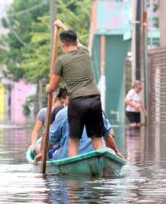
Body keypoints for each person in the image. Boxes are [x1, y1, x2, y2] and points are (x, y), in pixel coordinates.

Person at [46, 20, 104, 157]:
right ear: (75, 42)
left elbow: (53, 87)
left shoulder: (61, 61)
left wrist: (47, 87)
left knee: (74, 142)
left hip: (77, 102)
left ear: (62, 45)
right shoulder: (85, 51)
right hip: (95, 99)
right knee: (97, 140)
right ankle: (102, 168)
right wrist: (63, 26)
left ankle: (73, 177)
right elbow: (74, 40)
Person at [34, 107, 124, 161]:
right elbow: (109, 136)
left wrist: (42, 152)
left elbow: (51, 140)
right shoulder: (97, 111)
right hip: (97, 155)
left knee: (56, 152)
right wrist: (116, 152)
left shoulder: (62, 113)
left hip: (69, 157)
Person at [28, 86, 69, 152]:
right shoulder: (43, 112)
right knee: (38, 149)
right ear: (53, 101)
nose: (62, 104)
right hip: (48, 140)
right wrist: (33, 144)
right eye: (60, 102)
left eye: (62, 103)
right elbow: (36, 130)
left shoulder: (64, 112)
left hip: (60, 140)